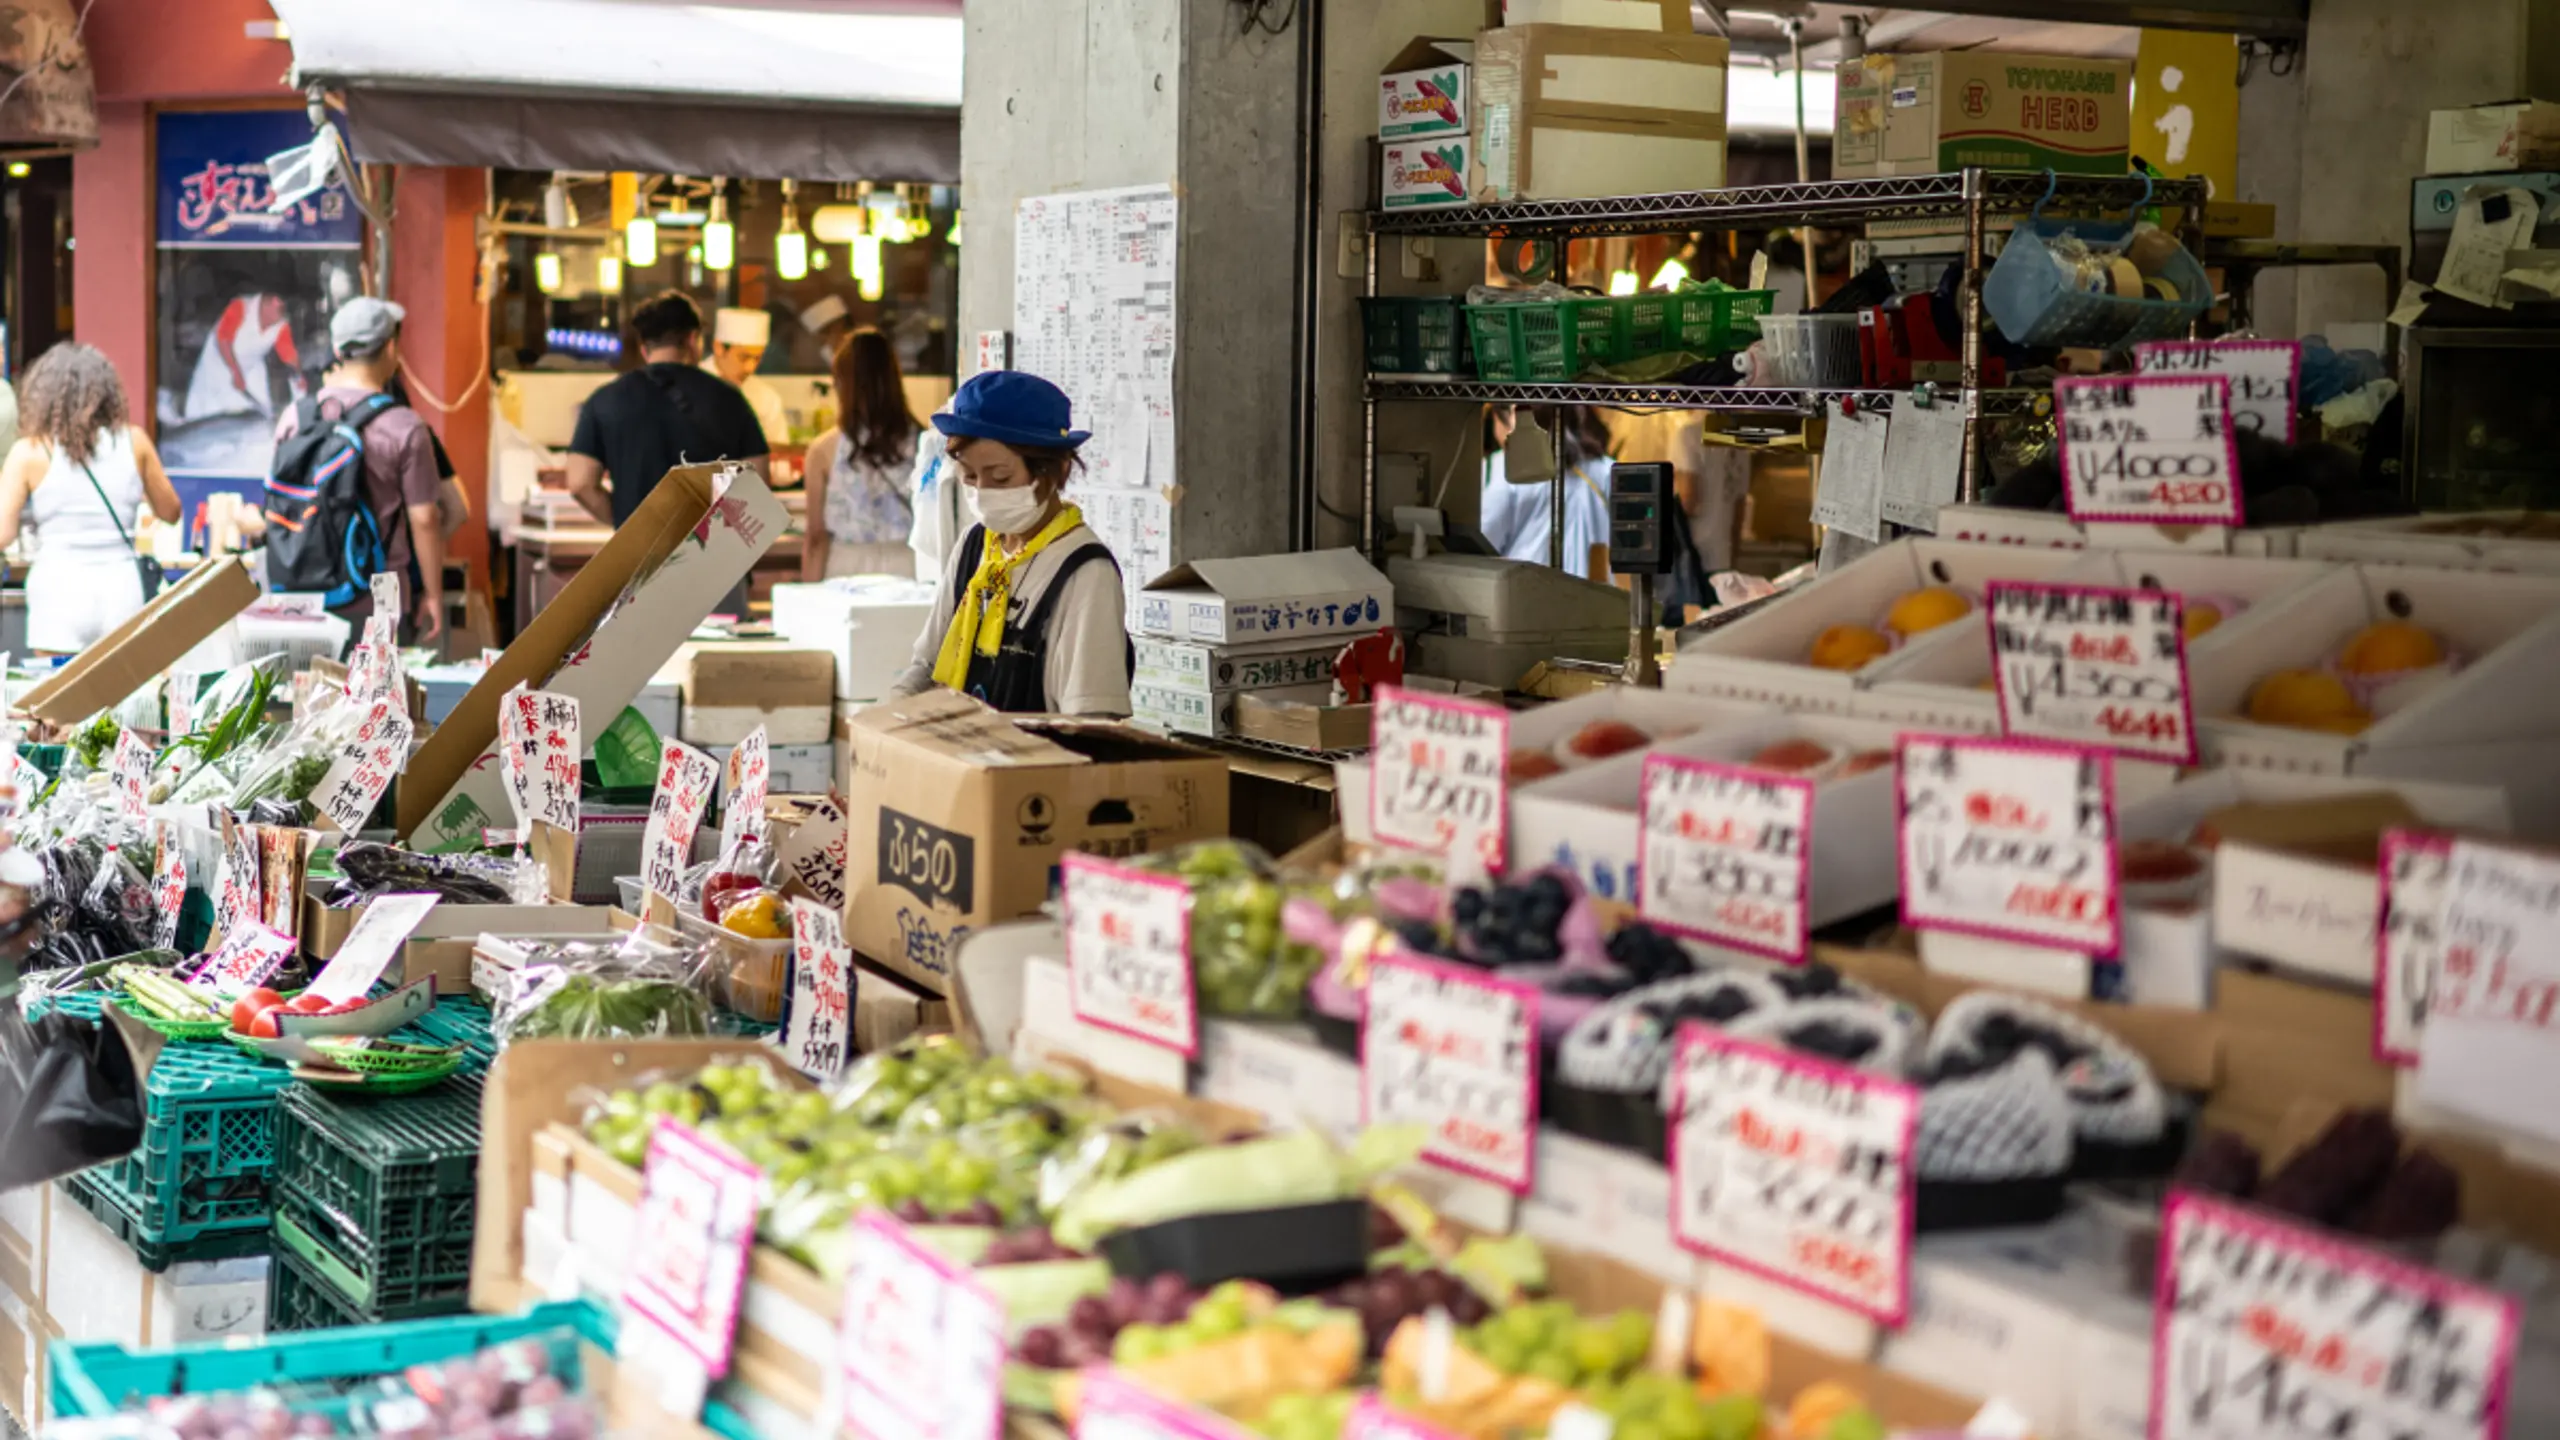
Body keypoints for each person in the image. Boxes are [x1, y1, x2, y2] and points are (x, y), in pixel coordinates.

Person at [886, 371, 1129, 716]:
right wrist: (889, 722)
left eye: (1000, 477)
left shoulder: (1085, 572)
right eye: (970, 475)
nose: (983, 492)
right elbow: (927, 665)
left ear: (1055, 471)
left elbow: (1092, 720)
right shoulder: (975, 548)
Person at [271, 297, 448, 644]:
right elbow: (425, 519)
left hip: (303, 595)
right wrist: (434, 594)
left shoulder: (297, 416)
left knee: (308, 694)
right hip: (378, 597)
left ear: (338, 350)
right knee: (377, 695)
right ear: (390, 348)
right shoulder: (404, 425)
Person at [0, 344, 181, 654]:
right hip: (121, 594)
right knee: (123, 697)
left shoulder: (29, 452)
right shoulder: (134, 442)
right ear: (107, 394)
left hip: (58, 595)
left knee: (57, 697)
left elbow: (3, 533)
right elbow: (171, 511)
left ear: (43, 396)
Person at [564, 291, 769, 527]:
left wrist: (628, 528)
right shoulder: (730, 399)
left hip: (640, 555)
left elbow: (580, 483)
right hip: (713, 557)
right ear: (693, 340)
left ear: (644, 347)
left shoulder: (604, 400)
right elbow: (758, 483)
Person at [802, 328, 920, 580]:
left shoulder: (823, 450)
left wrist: (808, 597)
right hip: (909, 567)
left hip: (845, 569)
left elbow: (815, 538)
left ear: (841, 383)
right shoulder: (924, 442)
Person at [1479, 405, 1615, 581]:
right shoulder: (1606, 470)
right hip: (1597, 597)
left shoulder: (1505, 471)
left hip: (1527, 594)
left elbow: (1482, 545)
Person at [702, 306, 791, 446]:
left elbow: (778, 454)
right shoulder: (689, 385)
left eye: (757, 358)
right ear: (718, 347)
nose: (750, 367)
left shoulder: (767, 398)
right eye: (743, 357)